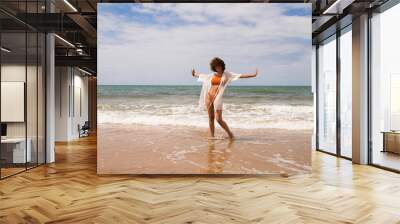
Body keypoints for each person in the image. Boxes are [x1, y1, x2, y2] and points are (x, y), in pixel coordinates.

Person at [192, 57, 258, 139]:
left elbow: (240, 76)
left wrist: (253, 75)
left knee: (219, 119)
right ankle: (212, 136)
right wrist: (194, 74)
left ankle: (230, 133)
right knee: (211, 118)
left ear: (222, 66)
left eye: (219, 66)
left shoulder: (227, 74)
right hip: (208, 97)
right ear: (214, 67)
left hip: (217, 98)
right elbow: (203, 76)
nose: (217, 68)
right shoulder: (212, 75)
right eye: (216, 66)